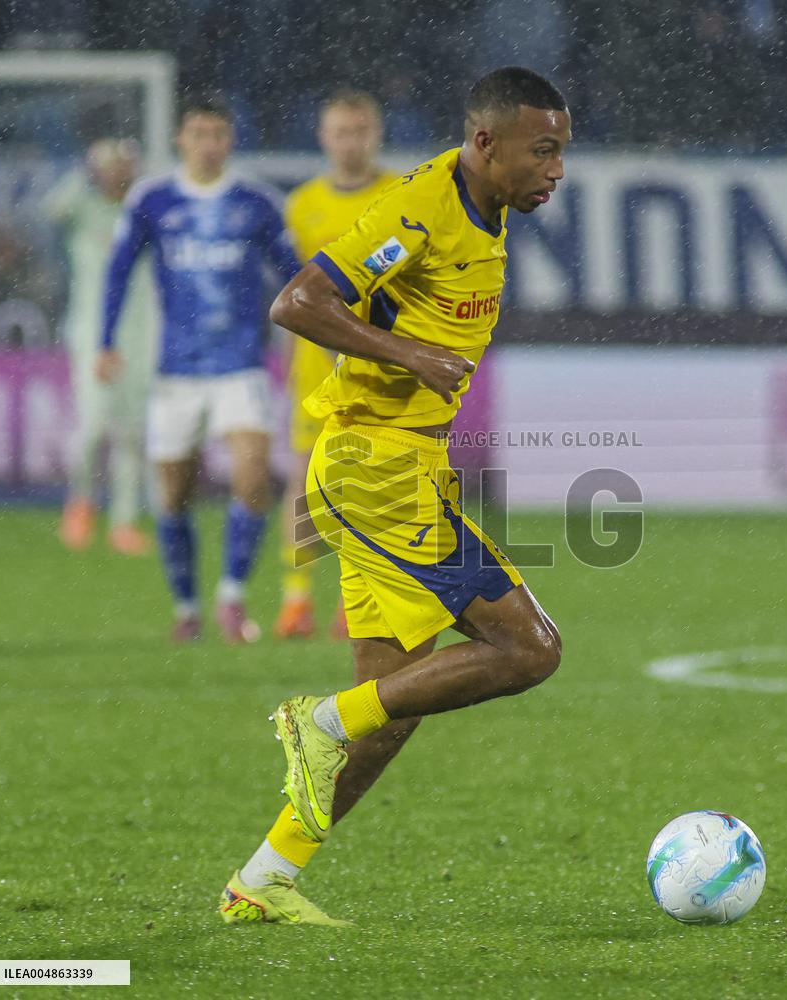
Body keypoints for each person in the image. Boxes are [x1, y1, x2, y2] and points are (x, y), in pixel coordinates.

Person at [219, 66, 570, 925]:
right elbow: (297, 301)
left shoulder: (485, 209)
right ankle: (321, 722)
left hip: (404, 463)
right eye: (543, 150)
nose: (556, 170)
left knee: (400, 704)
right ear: (485, 143)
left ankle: (261, 881)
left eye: (563, 151)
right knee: (530, 650)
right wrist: (408, 354)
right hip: (373, 471)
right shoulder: (417, 211)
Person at [97, 94, 300, 643]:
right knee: (172, 496)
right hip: (177, 371)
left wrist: (320, 330)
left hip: (241, 365)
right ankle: (187, 609)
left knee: (254, 478)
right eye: (198, 134)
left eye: (217, 134)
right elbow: (118, 271)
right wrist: (105, 341)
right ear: (179, 140)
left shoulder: (256, 201)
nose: (208, 144)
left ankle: (232, 598)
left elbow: (296, 274)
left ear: (230, 139)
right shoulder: (152, 199)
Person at [275, 90, 397, 641]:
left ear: (377, 133)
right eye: (341, 132)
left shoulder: (400, 196)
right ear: (323, 138)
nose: (352, 142)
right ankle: (295, 599)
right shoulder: (301, 206)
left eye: (361, 130)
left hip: (379, 362)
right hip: (313, 367)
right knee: (305, 482)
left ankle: (360, 600)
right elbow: (290, 292)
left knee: (368, 484)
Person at [44, 139, 157, 555]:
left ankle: (124, 521)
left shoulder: (142, 215)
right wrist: (83, 167)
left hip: (140, 336)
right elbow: (50, 209)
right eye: (108, 167)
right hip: (91, 337)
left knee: (131, 433)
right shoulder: (84, 210)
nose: (116, 172)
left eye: (122, 166)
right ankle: (80, 502)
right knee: (92, 429)